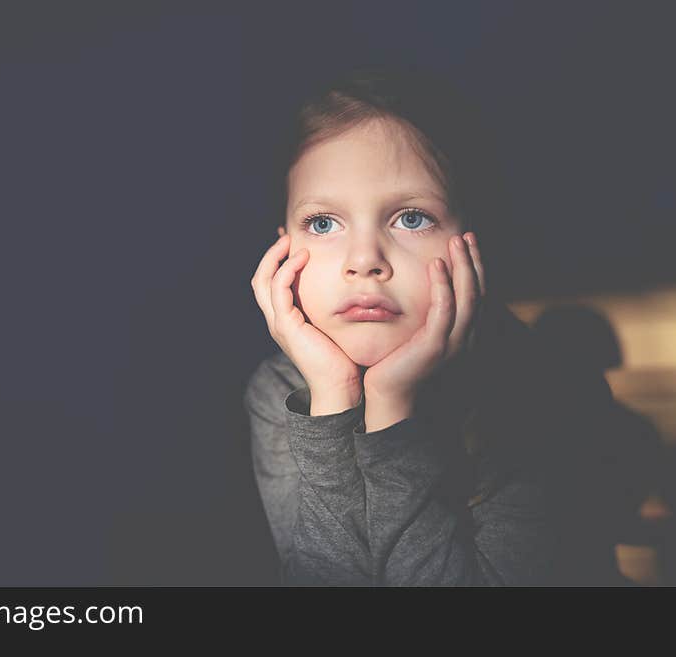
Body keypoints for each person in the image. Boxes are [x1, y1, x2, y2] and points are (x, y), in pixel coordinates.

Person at [243, 64, 629, 586]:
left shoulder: (544, 386)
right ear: (282, 250)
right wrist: (333, 400)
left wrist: (393, 409)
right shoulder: (282, 391)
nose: (364, 260)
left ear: (472, 242)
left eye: (411, 218)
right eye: (323, 223)